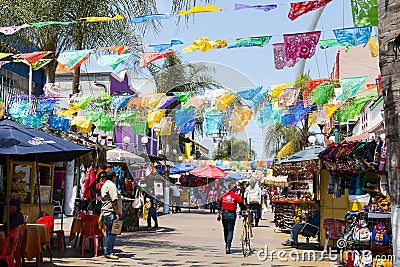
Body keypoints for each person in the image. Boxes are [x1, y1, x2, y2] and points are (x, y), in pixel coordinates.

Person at [101, 170, 122, 260]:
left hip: (106, 212)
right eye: (115, 176)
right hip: (110, 212)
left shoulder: (105, 184)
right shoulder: (111, 186)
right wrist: (117, 213)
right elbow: (114, 201)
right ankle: (108, 251)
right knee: (112, 233)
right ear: (113, 177)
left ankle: (107, 250)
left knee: (109, 232)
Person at [217, 184, 243, 254]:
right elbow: (242, 205)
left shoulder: (223, 196)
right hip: (232, 214)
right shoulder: (236, 196)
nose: (236, 189)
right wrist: (245, 209)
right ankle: (228, 246)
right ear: (233, 188)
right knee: (230, 230)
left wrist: (219, 214)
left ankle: (227, 245)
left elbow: (219, 206)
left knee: (225, 230)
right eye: (235, 188)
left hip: (224, 214)